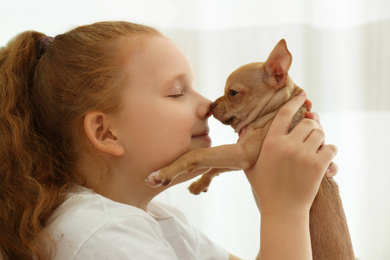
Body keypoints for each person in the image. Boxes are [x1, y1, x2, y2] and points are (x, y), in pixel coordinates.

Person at [0, 21, 337, 260]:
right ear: (106, 133)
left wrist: (282, 188)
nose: (207, 104)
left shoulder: (157, 220)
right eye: (178, 92)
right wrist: (286, 211)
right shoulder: (103, 236)